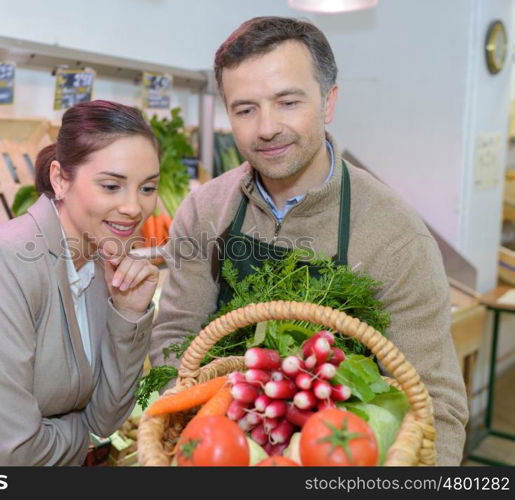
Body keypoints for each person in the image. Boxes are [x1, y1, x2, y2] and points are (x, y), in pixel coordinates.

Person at [150, 17, 468, 465]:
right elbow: (176, 337)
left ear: (328, 102)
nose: (266, 128)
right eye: (245, 109)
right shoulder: (204, 211)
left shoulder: (397, 236)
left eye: (287, 101)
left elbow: (435, 405)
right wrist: (187, 434)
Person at [0, 100, 161, 466]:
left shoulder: (100, 266)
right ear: (60, 179)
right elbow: (8, 455)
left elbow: (107, 419)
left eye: (147, 188)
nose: (134, 208)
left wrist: (128, 314)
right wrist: (81, 430)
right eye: (111, 186)